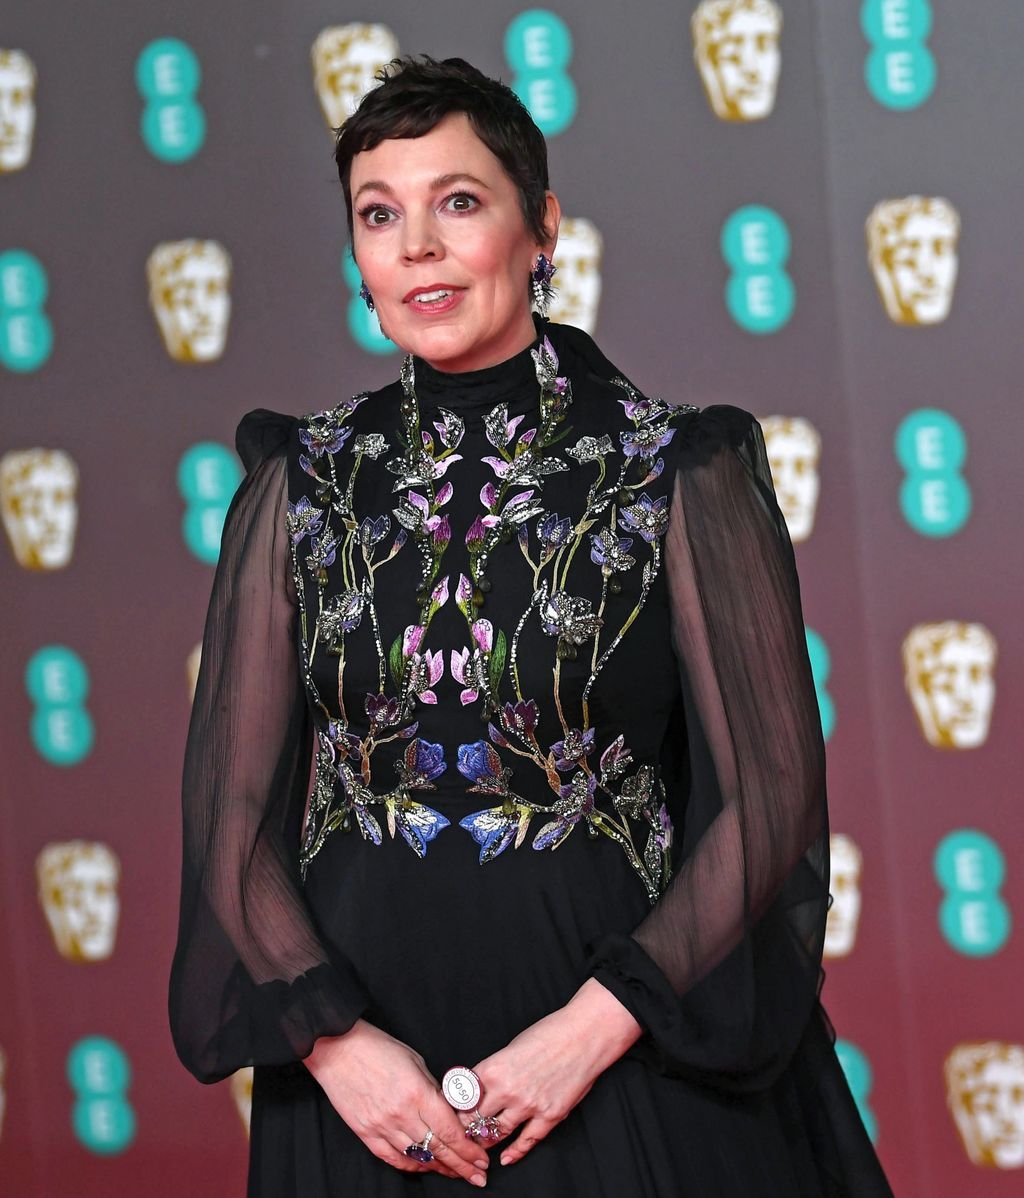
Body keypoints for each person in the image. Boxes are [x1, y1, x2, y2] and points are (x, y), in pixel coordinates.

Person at [169, 54, 895, 1196]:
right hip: (369, 1095)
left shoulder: (675, 467)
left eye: (456, 202)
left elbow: (769, 800)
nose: (415, 246)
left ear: (539, 225)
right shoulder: (299, 480)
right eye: (378, 214)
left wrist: (589, 1033)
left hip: (631, 1061)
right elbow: (233, 812)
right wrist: (337, 1047)